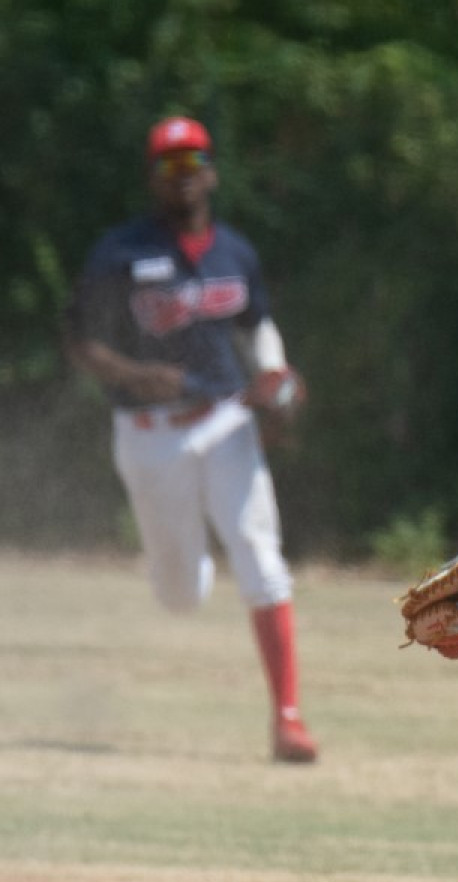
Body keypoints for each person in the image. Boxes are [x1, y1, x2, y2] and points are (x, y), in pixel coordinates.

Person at [64, 116, 318, 764]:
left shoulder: (235, 251)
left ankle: (288, 719)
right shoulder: (121, 252)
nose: (183, 175)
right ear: (153, 177)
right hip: (151, 436)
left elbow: (259, 326)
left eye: (193, 160)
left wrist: (275, 378)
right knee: (181, 595)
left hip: (227, 421)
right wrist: (134, 375)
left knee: (261, 555)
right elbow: (82, 341)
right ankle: (187, 559)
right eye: (169, 164)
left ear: (212, 171)